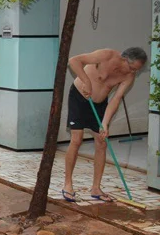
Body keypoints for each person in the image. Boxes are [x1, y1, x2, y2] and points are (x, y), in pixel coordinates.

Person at [62, 47, 147, 202]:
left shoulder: (129, 76)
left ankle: (96, 188)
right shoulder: (106, 55)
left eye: (137, 70)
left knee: (102, 142)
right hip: (79, 98)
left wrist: (105, 124)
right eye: (132, 68)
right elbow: (74, 61)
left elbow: (116, 99)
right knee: (76, 139)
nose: (133, 72)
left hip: (100, 104)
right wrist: (86, 81)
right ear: (124, 59)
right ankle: (68, 184)